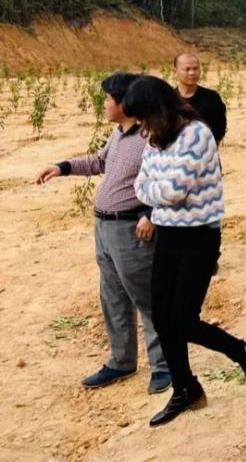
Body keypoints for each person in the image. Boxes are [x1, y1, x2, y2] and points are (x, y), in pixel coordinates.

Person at [123, 76, 246, 427]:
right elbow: (140, 184)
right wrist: (156, 190)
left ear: (157, 108)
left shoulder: (197, 134)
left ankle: (244, 353)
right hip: (169, 235)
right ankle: (185, 389)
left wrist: (155, 190)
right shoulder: (153, 137)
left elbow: (172, 190)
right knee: (161, 318)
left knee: (183, 319)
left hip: (199, 236)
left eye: (143, 116)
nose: (140, 125)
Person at [33, 73, 171, 395]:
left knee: (147, 298)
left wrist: (151, 214)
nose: (104, 103)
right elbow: (98, 162)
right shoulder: (119, 135)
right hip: (105, 228)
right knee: (113, 297)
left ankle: (164, 365)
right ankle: (121, 361)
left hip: (131, 229)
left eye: (108, 98)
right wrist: (62, 167)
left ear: (125, 103)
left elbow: (168, 181)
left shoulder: (151, 137)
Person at [173, 53, 227, 145]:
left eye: (195, 68)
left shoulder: (211, 98)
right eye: (187, 69)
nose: (192, 73)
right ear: (175, 71)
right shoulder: (168, 99)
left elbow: (219, 129)